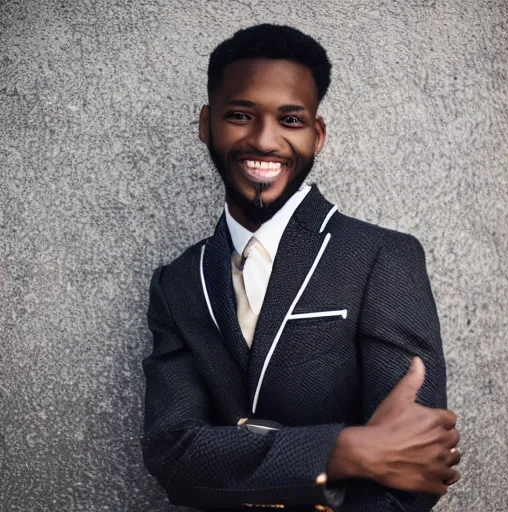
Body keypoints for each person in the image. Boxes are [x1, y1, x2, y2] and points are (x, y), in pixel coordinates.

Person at [141, 24, 461, 512]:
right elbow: (173, 454)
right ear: (206, 123)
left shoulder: (381, 257)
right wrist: (343, 451)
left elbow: (413, 469)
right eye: (240, 115)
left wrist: (236, 458)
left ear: (317, 134)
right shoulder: (178, 283)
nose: (264, 140)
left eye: (290, 120)